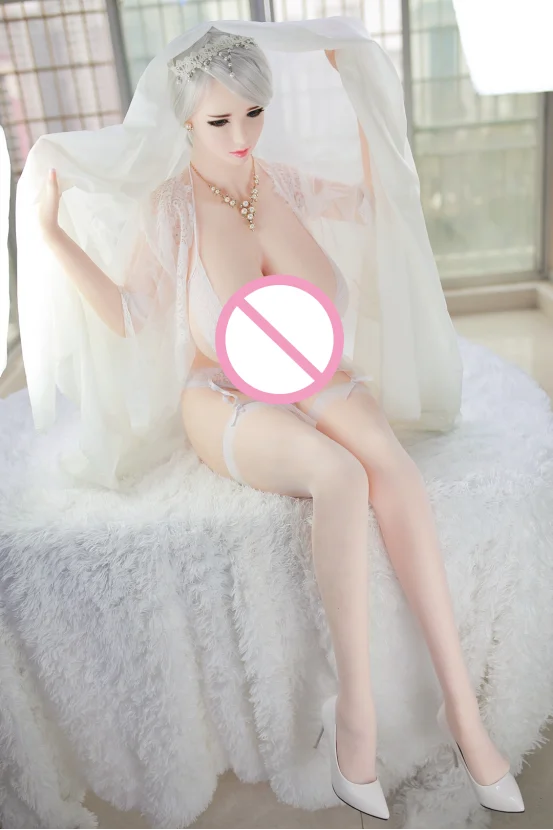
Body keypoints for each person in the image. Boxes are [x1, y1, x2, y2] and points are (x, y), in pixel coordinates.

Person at [15, 17, 523, 819]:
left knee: (389, 466)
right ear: (184, 121)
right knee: (339, 474)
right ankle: (354, 723)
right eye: (219, 119)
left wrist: (360, 93)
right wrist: (48, 233)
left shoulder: (279, 182)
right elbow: (131, 313)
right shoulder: (170, 206)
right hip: (222, 396)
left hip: (311, 372)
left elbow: (378, 203)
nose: (241, 134)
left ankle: (461, 712)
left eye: (253, 112)